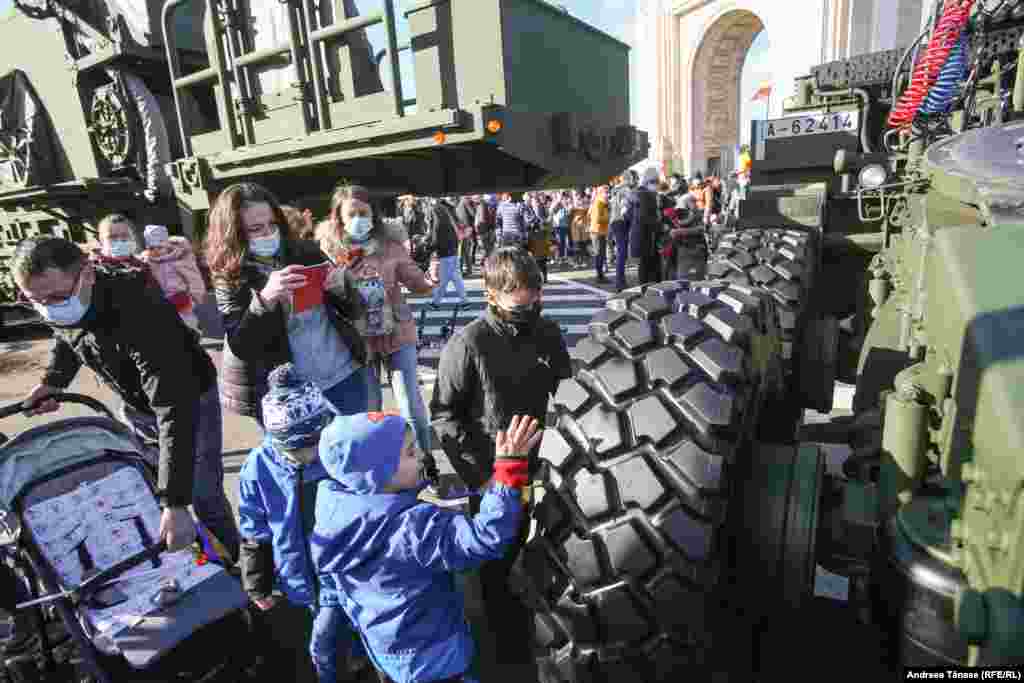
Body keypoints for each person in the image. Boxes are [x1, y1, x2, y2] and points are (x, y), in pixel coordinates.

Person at [13, 237, 240, 559]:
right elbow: (67, 333)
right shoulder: (66, 301)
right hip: (137, 403)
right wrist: (53, 382)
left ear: (87, 274)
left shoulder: (139, 309)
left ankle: (230, 567)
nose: (49, 307)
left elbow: (173, 407)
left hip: (188, 403)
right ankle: (193, 559)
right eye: (35, 300)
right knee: (146, 486)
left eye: (57, 297)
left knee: (202, 496)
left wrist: (175, 502)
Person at [311, 412, 540, 683]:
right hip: (436, 659)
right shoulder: (411, 527)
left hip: (388, 652)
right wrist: (508, 472)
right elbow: (484, 539)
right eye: (411, 452)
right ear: (379, 473)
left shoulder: (334, 515)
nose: (422, 456)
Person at [430, 247, 571, 676]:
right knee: (497, 555)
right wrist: (481, 475)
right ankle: (502, 644)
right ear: (491, 295)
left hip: (543, 465)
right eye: (518, 302)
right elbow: (444, 414)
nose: (529, 307)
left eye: (535, 297)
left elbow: (567, 392)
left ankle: (538, 613)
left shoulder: (547, 333)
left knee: (549, 545)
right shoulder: (469, 343)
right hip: (492, 473)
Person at [204, 182, 368, 428]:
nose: (268, 233)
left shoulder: (305, 251)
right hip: (286, 392)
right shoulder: (229, 276)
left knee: (358, 445)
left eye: (272, 224)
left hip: (341, 374)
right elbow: (241, 346)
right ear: (234, 233)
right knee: (306, 452)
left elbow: (353, 309)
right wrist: (265, 298)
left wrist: (345, 283)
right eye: (255, 229)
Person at [238, 364, 360, 683]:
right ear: (279, 441)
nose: (311, 455)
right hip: (302, 576)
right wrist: (257, 581)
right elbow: (254, 529)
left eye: (317, 444)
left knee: (328, 641)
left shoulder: (341, 450)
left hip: (345, 572)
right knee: (324, 642)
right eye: (300, 448)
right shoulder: (257, 468)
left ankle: (355, 661)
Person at [318, 183, 436, 454]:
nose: (358, 219)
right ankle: (379, 466)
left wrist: (429, 281)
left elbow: (416, 281)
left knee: (410, 405)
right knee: (370, 411)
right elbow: (324, 292)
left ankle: (425, 463)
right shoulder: (329, 252)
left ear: (373, 214)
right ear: (339, 218)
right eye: (352, 214)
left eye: (364, 213)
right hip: (358, 340)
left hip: (397, 333)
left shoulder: (391, 246)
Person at [137, 224, 207, 335]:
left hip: (180, 298)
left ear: (167, 246)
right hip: (161, 301)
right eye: (151, 248)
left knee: (187, 323)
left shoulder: (178, 259)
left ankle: (193, 333)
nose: (156, 251)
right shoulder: (148, 261)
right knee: (167, 328)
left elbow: (193, 277)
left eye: (160, 247)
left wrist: (195, 297)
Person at [424, 197, 466, 309]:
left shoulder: (436, 210)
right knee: (455, 277)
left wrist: (431, 246)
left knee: (444, 279)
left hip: (445, 249)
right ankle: (464, 301)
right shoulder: (448, 209)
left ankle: (436, 303)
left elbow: (436, 229)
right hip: (453, 247)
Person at [625, 167, 664, 285]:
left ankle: (646, 288)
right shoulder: (646, 195)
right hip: (646, 235)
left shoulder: (639, 194)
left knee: (646, 264)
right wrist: (660, 226)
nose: (656, 185)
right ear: (648, 182)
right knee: (647, 266)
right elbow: (645, 217)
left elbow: (629, 215)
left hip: (642, 234)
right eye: (654, 182)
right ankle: (647, 289)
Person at [609, 172, 636, 292]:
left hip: (615, 221)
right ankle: (620, 282)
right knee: (622, 252)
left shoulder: (615, 190)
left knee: (621, 251)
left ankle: (620, 280)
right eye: (633, 179)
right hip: (621, 221)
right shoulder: (626, 190)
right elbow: (626, 206)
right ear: (629, 179)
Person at [589, 185, 610, 284]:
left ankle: (601, 275)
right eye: (606, 192)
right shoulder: (598, 203)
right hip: (597, 231)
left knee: (601, 254)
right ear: (600, 193)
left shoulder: (602, 203)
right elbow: (597, 219)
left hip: (601, 231)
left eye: (608, 192)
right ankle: (599, 276)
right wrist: (608, 217)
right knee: (599, 254)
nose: (608, 194)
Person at [455, 194, 477, 277]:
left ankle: (461, 270)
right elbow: (473, 213)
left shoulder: (459, 204)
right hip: (465, 229)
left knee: (461, 252)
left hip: (460, 229)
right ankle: (468, 270)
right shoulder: (466, 202)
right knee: (465, 251)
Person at [474, 194, 498, 261]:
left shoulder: (482, 206)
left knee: (488, 248)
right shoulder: (483, 206)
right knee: (487, 248)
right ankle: (486, 262)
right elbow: (482, 219)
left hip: (486, 230)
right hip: (486, 230)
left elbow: (480, 219)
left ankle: (487, 262)